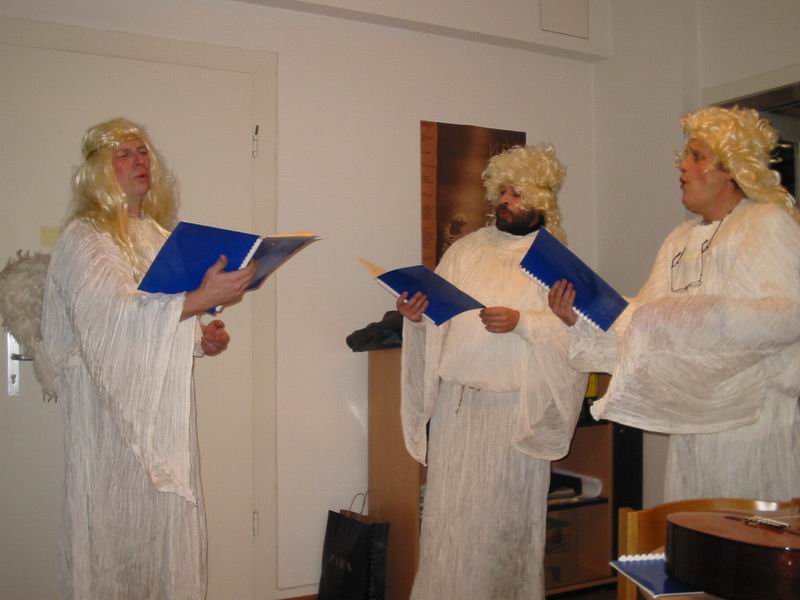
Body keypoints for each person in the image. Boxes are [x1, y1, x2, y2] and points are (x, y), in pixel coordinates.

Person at [42, 117, 255, 599]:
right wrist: (199, 300)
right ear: (99, 170)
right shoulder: (85, 237)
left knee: (165, 538)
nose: (138, 161)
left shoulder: (158, 236)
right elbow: (111, 319)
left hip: (163, 421)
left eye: (142, 152)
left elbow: (163, 315)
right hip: (108, 422)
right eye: (123, 154)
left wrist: (201, 338)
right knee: (113, 540)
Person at [549, 106, 800, 502]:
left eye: (697, 156)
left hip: (752, 425)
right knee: (692, 526)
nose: (683, 166)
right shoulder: (679, 240)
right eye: (686, 155)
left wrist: (703, 316)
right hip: (692, 420)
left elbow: (788, 315)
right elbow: (643, 320)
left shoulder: (765, 222)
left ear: (732, 169)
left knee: (744, 532)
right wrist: (580, 315)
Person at [398, 144, 588, 599]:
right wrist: (417, 316)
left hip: (511, 417)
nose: (504, 201)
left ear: (540, 200)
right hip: (457, 410)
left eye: (516, 194)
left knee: (503, 529)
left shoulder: (554, 261)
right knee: (448, 524)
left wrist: (522, 322)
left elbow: (575, 333)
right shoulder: (466, 250)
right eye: (501, 191)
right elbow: (440, 316)